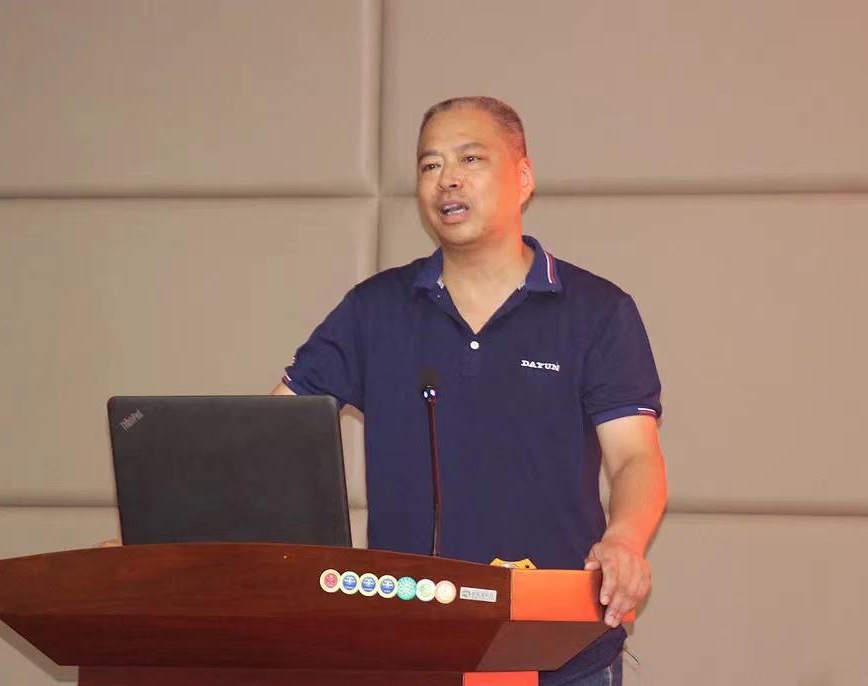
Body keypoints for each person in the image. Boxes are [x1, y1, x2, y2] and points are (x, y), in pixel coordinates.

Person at [272, 96, 667, 686]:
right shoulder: (374, 309)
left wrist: (625, 540)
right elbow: (274, 439)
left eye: (470, 159)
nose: (447, 179)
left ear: (523, 178)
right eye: (429, 165)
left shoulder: (597, 311)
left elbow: (635, 455)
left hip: (556, 642)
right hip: (407, 642)